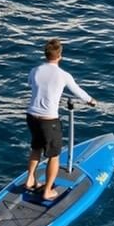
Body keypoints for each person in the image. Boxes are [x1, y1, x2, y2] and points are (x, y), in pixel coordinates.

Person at [25, 38, 96, 202]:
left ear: (45, 54)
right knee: (54, 155)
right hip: (49, 120)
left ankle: (30, 179)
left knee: (36, 147)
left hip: (31, 116)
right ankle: (47, 190)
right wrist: (91, 101)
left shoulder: (35, 70)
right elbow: (78, 92)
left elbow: (31, 84)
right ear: (60, 56)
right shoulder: (63, 75)